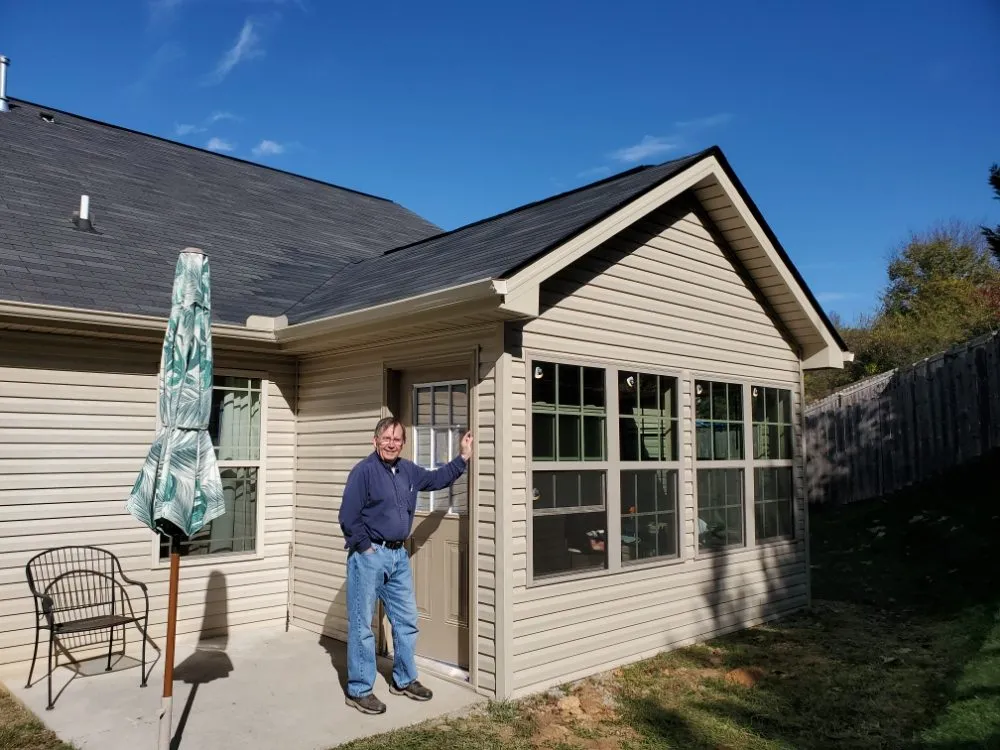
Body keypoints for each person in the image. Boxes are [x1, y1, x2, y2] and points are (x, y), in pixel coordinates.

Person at [338, 416, 473, 715]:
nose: (391, 443)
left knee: (407, 619)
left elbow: (437, 479)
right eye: (386, 438)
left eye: (397, 439)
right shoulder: (364, 472)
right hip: (369, 556)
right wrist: (366, 548)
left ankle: (403, 679)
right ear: (375, 441)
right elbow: (348, 517)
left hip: (398, 557)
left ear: (403, 443)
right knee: (362, 625)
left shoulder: (408, 470)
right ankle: (359, 690)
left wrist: (462, 457)